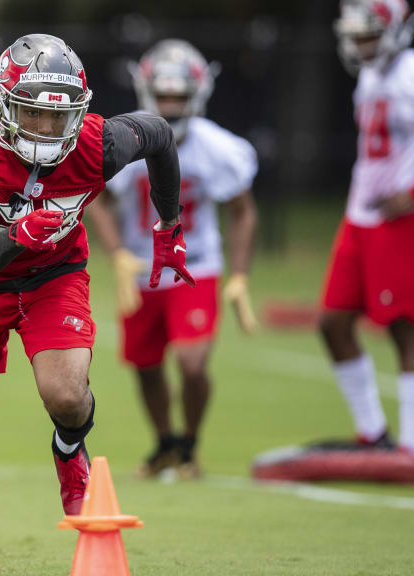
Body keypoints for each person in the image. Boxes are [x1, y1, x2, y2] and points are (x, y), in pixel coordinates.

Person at [0, 33, 193, 575]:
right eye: (33, 114)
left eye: (59, 116)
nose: (47, 130)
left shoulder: (98, 142)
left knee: (68, 396)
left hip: (54, 277)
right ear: (3, 104)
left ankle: (70, 449)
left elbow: (160, 136)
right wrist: (16, 237)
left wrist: (169, 221)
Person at [318, 0, 414, 480]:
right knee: (332, 322)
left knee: (404, 326)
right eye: (356, 34)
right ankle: (373, 433)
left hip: (402, 219)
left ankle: (411, 447)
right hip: (362, 213)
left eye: (369, 34)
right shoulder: (372, 73)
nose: (360, 43)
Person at [87, 39, 259, 479]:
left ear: (197, 96)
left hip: (193, 266)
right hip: (142, 269)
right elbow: (98, 201)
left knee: (192, 362)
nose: (170, 104)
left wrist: (239, 275)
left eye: (179, 97)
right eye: (163, 95)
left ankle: (189, 444)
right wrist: (119, 253)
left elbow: (243, 211)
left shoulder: (218, 148)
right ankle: (165, 444)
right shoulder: (127, 141)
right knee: (145, 366)